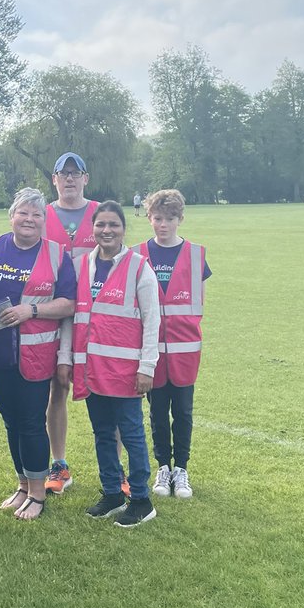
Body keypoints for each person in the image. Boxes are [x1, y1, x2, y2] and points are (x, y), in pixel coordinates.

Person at [57, 200, 160, 526]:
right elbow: (73, 318)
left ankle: (141, 499)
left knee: (131, 435)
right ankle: (113, 492)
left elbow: (152, 320)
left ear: (123, 229)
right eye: (100, 225)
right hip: (92, 369)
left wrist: (147, 366)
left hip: (126, 371)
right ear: (93, 229)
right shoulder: (82, 265)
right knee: (102, 433)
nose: (106, 230)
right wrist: (65, 358)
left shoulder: (139, 266)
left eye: (113, 225)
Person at [0, 188, 76, 520]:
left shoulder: (56, 254)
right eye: (23, 213)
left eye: (37, 215)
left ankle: (38, 494)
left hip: (36, 358)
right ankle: (23, 484)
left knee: (32, 423)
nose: (30, 220)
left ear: (45, 221)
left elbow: (69, 303)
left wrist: (31, 310)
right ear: (12, 216)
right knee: (10, 423)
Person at [137, 189, 211, 499]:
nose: (163, 225)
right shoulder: (137, 253)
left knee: (182, 412)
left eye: (169, 219)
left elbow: (200, 302)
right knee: (156, 413)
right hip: (152, 352)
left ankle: (181, 468)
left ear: (180, 219)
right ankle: (163, 466)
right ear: (149, 219)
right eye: (157, 218)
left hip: (184, 351)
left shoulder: (195, 255)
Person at [42, 152, 99, 494]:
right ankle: (59, 463)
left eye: (76, 174)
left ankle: (115, 467)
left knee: (107, 384)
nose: (69, 179)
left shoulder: (100, 213)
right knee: (58, 384)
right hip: (57, 311)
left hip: (98, 316)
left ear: (86, 178)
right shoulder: (43, 214)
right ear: (54, 180)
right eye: (63, 174)